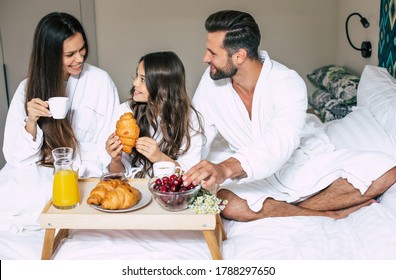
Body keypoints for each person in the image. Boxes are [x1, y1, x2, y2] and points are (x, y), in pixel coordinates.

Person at [182, 10, 396, 222]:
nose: (205, 58)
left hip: (296, 165)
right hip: (251, 174)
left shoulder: (287, 82)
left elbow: (280, 140)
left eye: (212, 53)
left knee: (386, 170)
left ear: (239, 56)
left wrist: (226, 167)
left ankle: (284, 208)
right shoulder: (211, 82)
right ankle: (326, 211)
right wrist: (184, 177)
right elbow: (197, 130)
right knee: (224, 202)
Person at [0, 12, 119, 230]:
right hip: (40, 172)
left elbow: (108, 143)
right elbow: (15, 157)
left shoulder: (100, 82)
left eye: (82, 49)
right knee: (14, 195)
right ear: (50, 56)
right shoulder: (27, 89)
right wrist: (31, 121)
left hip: (84, 170)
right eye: (70, 54)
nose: (80, 59)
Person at [105, 51, 204, 178]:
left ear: (162, 86)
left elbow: (191, 172)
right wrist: (115, 160)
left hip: (172, 192)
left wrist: (159, 157)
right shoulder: (125, 112)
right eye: (137, 76)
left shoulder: (190, 118)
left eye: (142, 79)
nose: (135, 83)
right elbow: (118, 174)